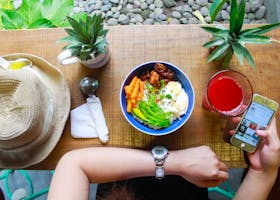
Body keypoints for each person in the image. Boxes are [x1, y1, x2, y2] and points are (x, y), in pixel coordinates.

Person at [48, 118, 280, 200]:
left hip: (117, 170)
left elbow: (73, 165)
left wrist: (176, 163)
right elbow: (262, 172)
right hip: (191, 183)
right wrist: (263, 172)